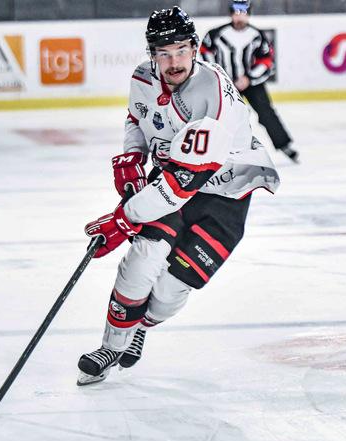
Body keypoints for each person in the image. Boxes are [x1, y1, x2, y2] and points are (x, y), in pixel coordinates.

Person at [76, 6, 279, 385]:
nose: (174, 62)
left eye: (181, 51)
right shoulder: (143, 77)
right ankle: (110, 347)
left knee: (170, 290)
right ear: (152, 54)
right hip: (173, 176)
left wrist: (124, 219)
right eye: (164, 53)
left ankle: (141, 327)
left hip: (226, 191)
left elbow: (180, 186)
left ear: (195, 49)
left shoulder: (211, 93)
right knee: (142, 259)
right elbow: (137, 117)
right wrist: (133, 155)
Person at [199, 0, 299, 163]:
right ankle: (213, 150)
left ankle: (284, 144)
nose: (239, 17)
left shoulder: (257, 35)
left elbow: (266, 61)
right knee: (220, 116)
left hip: (251, 83)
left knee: (266, 112)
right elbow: (205, 52)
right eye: (236, 13)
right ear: (231, 14)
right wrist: (219, 75)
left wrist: (249, 78)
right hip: (225, 83)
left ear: (249, 14)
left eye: (243, 13)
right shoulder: (216, 34)